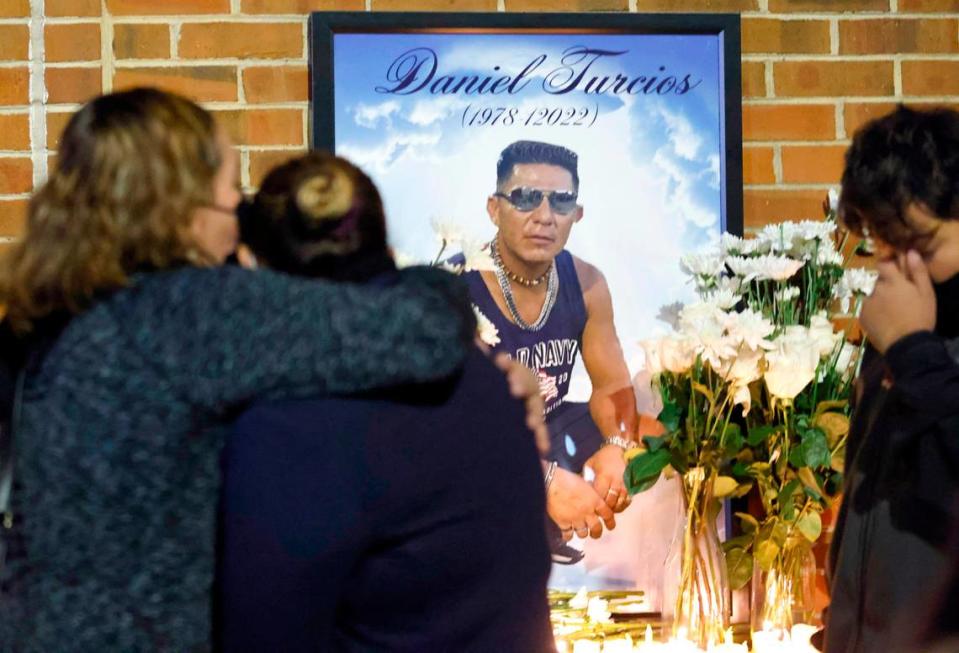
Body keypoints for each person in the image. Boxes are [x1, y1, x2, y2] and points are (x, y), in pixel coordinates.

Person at [0, 88, 478, 652]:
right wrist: (434, 273)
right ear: (182, 203)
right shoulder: (192, 312)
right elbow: (423, 333)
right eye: (233, 190)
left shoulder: (46, 312)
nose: (241, 214)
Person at [216, 152, 554, 652]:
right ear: (385, 250)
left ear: (255, 266)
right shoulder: (489, 382)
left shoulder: (289, 425)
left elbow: (261, 632)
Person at [455, 140, 657, 543]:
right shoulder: (453, 288)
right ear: (494, 209)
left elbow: (612, 385)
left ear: (577, 215)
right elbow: (447, 424)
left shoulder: (587, 284)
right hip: (470, 447)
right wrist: (543, 479)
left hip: (543, 427)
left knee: (655, 427)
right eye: (526, 199)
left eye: (561, 202)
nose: (544, 217)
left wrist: (617, 448)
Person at [823, 105, 959, 653]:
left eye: (921, 245)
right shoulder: (902, 342)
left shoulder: (912, 343)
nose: (898, 269)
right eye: (882, 242)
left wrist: (914, 353)